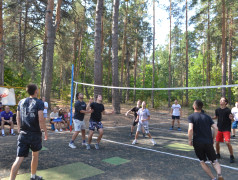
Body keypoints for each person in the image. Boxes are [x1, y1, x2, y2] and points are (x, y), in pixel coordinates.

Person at [9, 84, 48, 180]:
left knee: (19, 158)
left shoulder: (21, 102)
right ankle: (33, 176)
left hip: (23, 133)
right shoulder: (39, 102)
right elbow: (41, 119)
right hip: (34, 134)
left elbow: (17, 117)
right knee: (35, 155)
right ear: (36, 91)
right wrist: (46, 132)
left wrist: (19, 129)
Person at [188, 100, 224, 180]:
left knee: (202, 161)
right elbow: (216, 128)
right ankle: (219, 174)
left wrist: (190, 140)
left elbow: (190, 129)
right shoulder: (207, 117)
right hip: (208, 141)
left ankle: (213, 178)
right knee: (214, 161)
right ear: (201, 107)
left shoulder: (192, 116)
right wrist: (213, 138)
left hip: (198, 142)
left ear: (194, 107)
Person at [213, 97, 235, 163]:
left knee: (227, 142)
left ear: (225, 103)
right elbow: (216, 117)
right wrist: (207, 118)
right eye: (220, 100)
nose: (221, 101)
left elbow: (232, 120)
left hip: (226, 129)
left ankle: (231, 156)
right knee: (217, 142)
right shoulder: (217, 110)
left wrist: (232, 118)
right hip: (219, 128)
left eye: (222, 100)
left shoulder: (228, 110)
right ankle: (218, 154)